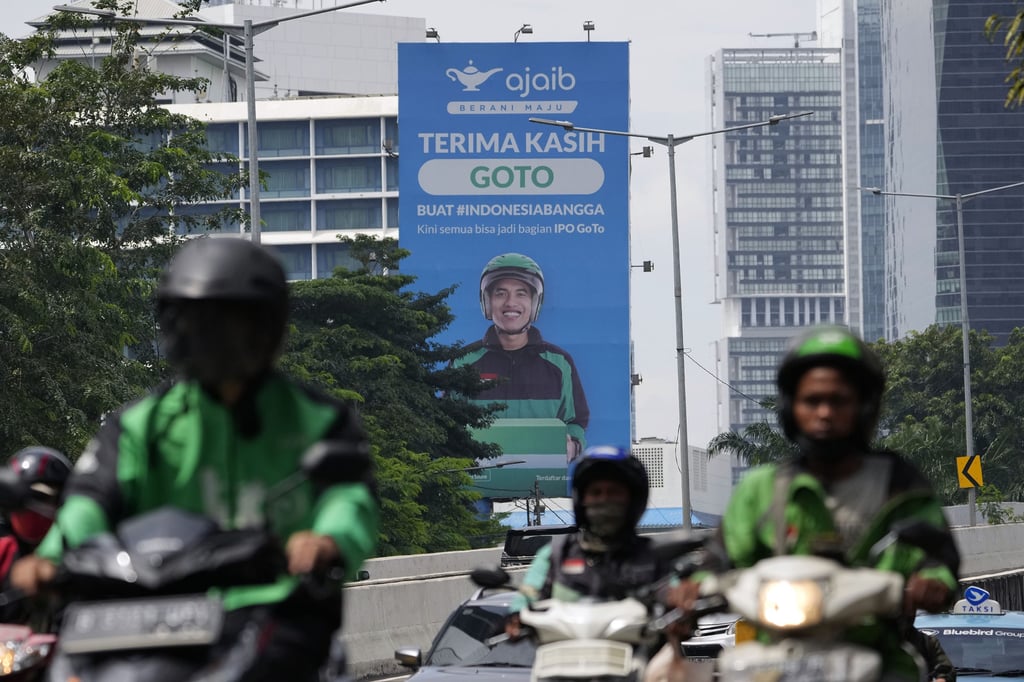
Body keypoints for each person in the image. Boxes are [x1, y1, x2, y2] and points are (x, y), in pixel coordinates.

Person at [11, 237, 380, 680]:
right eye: (195, 323)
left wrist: (326, 540)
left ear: (267, 327)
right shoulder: (140, 424)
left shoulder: (318, 419)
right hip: (140, 616)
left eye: (227, 324)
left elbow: (348, 497)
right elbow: (89, 500)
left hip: (268, 606)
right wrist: (53, 558)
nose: (210, 339)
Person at [671, 325, 960, 681]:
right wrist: (692, 587)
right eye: (812, 401)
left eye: (838, 401)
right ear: (792, 409)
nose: (824, 413)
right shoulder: (762, 489)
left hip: (876, 654)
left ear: (864, 407)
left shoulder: (900, 485)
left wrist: (931, 582)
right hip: (774, 657)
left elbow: (938, 558)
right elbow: (719, 558)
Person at [455, 252, 589, 464]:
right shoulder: (463, 362)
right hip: (478, 487)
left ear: (535, 302)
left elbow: (576, 422)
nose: (511, 303)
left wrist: (571, 445)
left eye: (521, 294)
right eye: (500, 293)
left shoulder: (559, 363)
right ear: (487, 302)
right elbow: (444, 424)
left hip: (539, 487)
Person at [0, 446, 72, 623]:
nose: (30, 507)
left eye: (42, 497)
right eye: (19, 498)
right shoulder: (4, 547)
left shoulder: (79, 552)